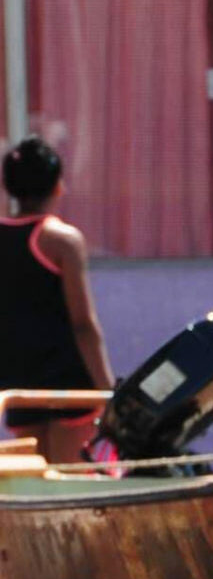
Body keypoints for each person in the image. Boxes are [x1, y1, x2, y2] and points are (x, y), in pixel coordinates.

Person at [0, 137, 112, 464]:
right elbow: (83, 324)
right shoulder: (62, 240)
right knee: (71, 485)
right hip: (69, 381)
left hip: (20, 380)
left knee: (36, 483)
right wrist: (108, 391)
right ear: (58, 187)